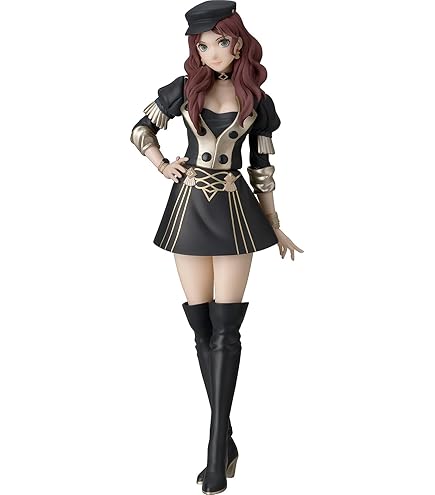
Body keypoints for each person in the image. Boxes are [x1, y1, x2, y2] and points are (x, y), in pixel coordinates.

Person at [130, 1, 303, 493]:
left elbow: (262, 169)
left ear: (238, 43)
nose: (210, 52)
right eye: (202, 45)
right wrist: (163, 165)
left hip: (234, 211)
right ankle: (224, 440)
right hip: (188, 209)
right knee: (201, 326)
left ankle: (213, 455)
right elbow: (139, 130)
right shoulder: (183, 89)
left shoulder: (258, 102)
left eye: (219, 42)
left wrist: (274, 222)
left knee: (227, 329)